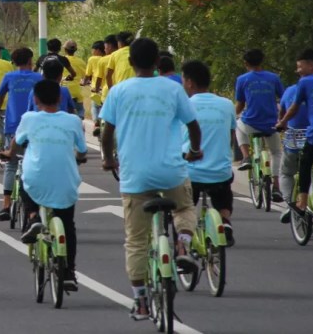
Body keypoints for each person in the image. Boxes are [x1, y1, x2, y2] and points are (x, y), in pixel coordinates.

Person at [100, 38, 201, 321]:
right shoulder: (173, 88)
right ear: (158, 61)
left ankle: (141, 301)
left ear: (130, 62)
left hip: (135, 176)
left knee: (136, 241)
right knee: (184, 207)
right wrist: (194, 151)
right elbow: (193, 126)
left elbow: (107, 133)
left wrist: (108, 159)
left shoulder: (119, 91)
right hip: (171, 172)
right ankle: (183, 243)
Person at [0, 79, 87, 288]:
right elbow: (82, 150)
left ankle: (32, 217)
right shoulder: (73, 120)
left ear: (36, 99)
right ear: (60, 98)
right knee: (68, 225)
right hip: (66, 181)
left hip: (36, 178)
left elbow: (17, 142)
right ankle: (68, 272)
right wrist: (79, 157)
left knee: (26, 181)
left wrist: (10, 153)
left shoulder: (29, 118)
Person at [181, 60, 236, 246]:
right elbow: (230, 135)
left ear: (190, 82)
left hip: (191, 173)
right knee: (224, 193)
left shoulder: (184, 105)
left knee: (184, 208)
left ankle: (184, 241)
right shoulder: (227, 104)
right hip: (220, 172)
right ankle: (225, 220)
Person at [0, 47, 43, 221]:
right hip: (34, 127)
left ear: (14, 62)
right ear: (30, 60)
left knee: (11, 165)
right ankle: (34, 206)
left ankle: (6, 205)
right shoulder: (38, 78)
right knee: (33, 166)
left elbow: (0, 98)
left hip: (13, 126)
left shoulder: (9, 77)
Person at [276, 49, 313, 215]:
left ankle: (302, 202)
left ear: (311, 65)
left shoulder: (304, 82)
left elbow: (293, 108)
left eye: (300, 66)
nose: (297, 70)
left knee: (304, 163)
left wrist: (282, 122)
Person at [235, 48, 285, 201]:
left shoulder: (242, 79)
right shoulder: (274, 78)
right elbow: (284, 100)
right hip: (271, 125)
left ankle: (246, 157)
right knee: (276, 152)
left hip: (250, 123)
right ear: (262, 61)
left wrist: (233, 115)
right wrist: (282, 119)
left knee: (237, 125)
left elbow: (240, 104)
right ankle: (276, 186)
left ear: (246, 63)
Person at [276, 76, 310, 223]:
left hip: (294, 142)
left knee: (286, 173)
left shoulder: (290, 91)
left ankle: (290, 204)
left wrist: (281, 124)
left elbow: (282, 114)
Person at [83, 41, 105, 136]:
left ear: (98, 50)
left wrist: (84, 82)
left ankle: (96, 123)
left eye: (93, 49)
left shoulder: (92, 59)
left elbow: (88, 74)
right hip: (106, 89)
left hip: (96, 89)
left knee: (95, 106)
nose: (92, 51)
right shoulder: (108, 58)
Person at [62, 40, 87, 119]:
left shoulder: (61, 60)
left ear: (65, 49)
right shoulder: (81, 62)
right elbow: (86, 76)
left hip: (63, 91)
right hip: (76, 93)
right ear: (75, 50)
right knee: (79, 113)